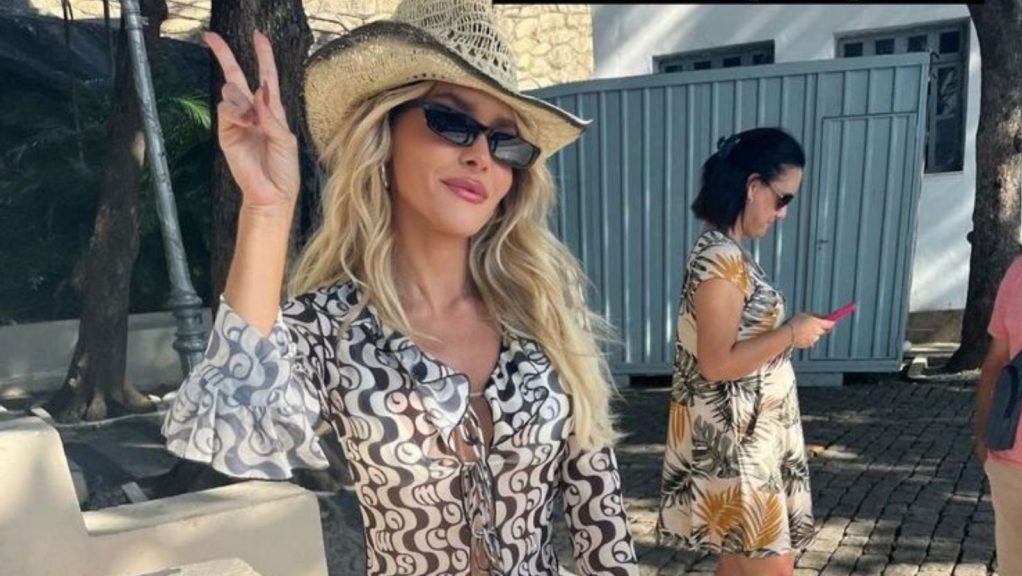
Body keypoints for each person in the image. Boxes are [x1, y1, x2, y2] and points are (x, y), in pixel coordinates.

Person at [160, 0, 638, 574]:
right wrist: (266, 209)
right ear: (385, 133)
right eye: (452, 121)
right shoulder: (329, 326)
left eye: (506, 143)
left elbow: (600, 512)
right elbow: (228, 428)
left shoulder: (546, 306)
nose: (480, 156)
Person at [656, 128, 835, 576]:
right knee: (773, 569)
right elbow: (716, 363)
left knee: (737, 569)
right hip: (739, 449)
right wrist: (791, 333)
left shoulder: (726, 253)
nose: (783, 213)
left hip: (745, 440)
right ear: (753, 186)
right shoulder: (720, 258)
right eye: (783, 198)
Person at [974, 254, 1022, 576]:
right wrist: (983, 433)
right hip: (1012, 461)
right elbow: (995, 361)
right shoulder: (1019, 271)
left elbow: (995, 360)